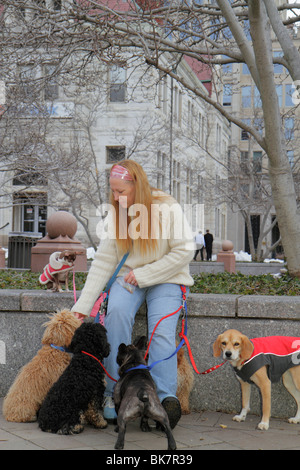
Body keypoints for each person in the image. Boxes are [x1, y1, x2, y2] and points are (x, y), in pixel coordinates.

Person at [72, 160, 194, 429]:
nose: (115, 198)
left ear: (137, 186)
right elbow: (104, 261)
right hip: (129, 277)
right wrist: (82, 306)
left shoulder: (167, 206)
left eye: (121, 192)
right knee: (115, 313)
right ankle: (113, 394)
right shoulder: (117, 213)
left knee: (161, 329)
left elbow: (185, 250)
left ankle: (162, 400)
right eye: (112, 192)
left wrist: (145, 274)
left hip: (167, 278)